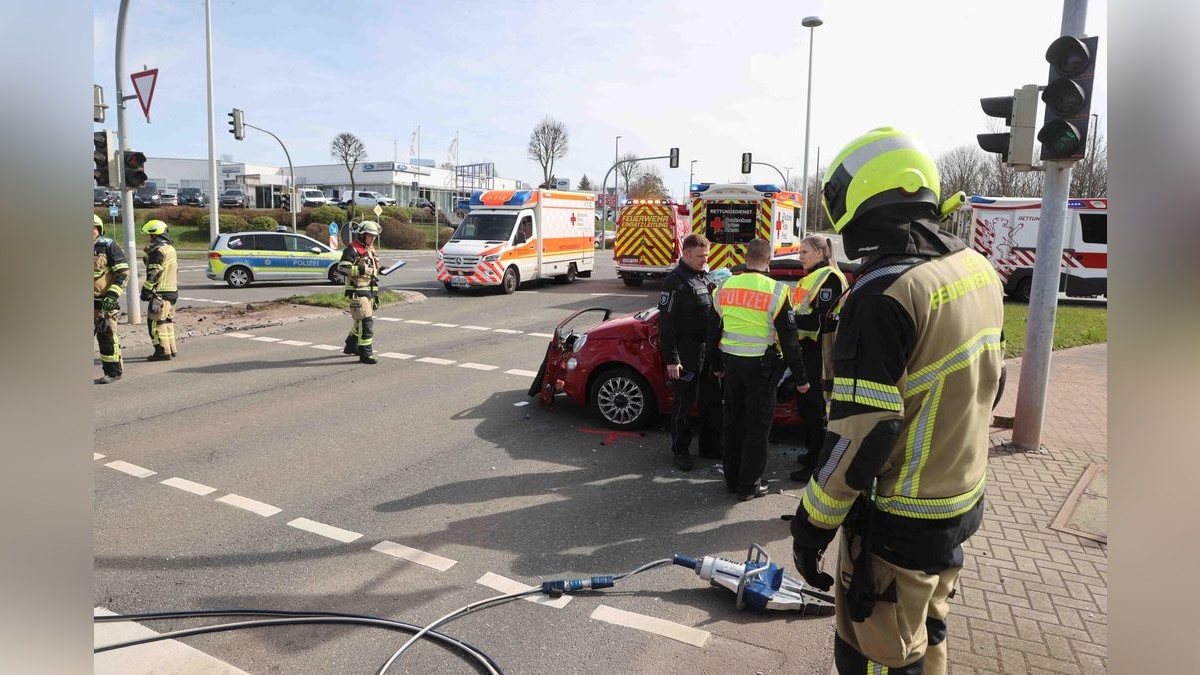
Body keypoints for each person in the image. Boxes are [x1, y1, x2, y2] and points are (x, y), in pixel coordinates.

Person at [789, 127, 1004, 675]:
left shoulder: (885, 294)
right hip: (959, 498)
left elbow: (863, 437)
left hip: (900, 514)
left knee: (877, 654)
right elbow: (989, 383)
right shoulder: (976, 269)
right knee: (928, 630)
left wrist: (810, 527)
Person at [707, 238, 809, 501]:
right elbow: (789, 340)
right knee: (757, 427)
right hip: (761, 370)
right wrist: (801, 379)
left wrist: (716, 365)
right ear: (769, 259)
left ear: (746, 256)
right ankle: (749, 485)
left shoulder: (725, 286)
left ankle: (732, 480)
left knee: (733, 423)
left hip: (731, 366)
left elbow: (712, 333)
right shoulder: (776, 291)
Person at [657, 233, 723, 471]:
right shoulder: (675, 282)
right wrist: (672, 360)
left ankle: (709, 446)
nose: (705, 260)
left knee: (711, 400)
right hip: (686, 351)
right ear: (686, 254)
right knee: (684, 403)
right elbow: (665, 326)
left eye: (706, 255)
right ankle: (680, 450)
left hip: (707, 350)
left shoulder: (703, 277)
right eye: (700, 256)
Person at [787, 234, 848, 484]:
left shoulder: (829, 278)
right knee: (806, 406)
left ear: (820, 253)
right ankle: (812, 452)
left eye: (804, 252)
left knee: (816, 409)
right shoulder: (813, 277)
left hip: (821, 352)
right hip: (809, 349)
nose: (800, 256)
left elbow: (819, 320)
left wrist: (786, 321)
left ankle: (817, 464)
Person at [338, 220, 381, 364]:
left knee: (360, 322)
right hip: (357, 291)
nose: (373, 238)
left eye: (374, 236)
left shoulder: (370, 249)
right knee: (366, 323)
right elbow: (342, 268)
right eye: (370, 236)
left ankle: (351, 346)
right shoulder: (352, 249)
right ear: (362, 235)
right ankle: (365, 354)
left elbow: (371, 270)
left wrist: (381, 270)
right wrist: (361, 270)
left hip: (369, 291)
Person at [93, 214, 130, 384]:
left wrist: (112, 294)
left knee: (107, 337)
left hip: (103, 303)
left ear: (98, 229)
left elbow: (123, 273)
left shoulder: (107, 246)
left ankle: (113, 372)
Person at [140, 219, 179, 361]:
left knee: (155, 323)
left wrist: (146, 290)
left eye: (149, 236)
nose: (148, 239)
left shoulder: (157, 251)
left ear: (155, 235)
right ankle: (171, 349)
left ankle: (161, 351)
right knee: (167, 321)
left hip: (160, 293)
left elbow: (155, 273)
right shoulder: (170, 249)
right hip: (172, 291)